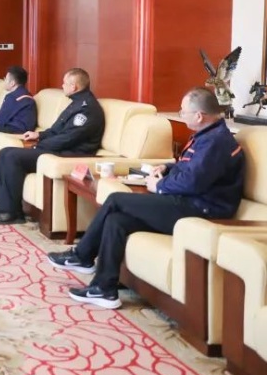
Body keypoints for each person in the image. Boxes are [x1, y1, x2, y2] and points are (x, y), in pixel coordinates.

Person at [47, 87, 245, 309]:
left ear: (199, 116)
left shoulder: (216, 142)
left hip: (200, 211)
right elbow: (192, 168)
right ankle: (104, 289)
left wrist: (159, 185)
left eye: (183, 112)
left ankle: (82, 255)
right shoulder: (209, 135)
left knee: (116, 200)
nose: (181, 115)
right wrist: (167, 168)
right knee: (116, 220)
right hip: (189, 202)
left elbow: (193, 182)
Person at [0, 68, 105, 225]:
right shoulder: (76, 103)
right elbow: (56, 130)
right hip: (57, 149)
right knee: (5, 152)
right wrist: (38, 135)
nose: (62, 86)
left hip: (67, 154)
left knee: (13, 156)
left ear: (73, 86)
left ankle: (13, 212)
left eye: (65, 83)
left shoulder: (87, 110)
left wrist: (39, 145)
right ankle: (0, 204)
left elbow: (67, 139)